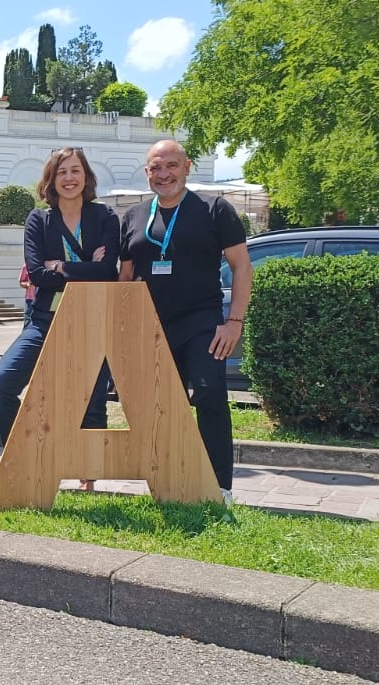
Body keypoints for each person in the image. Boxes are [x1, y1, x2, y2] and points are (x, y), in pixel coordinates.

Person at [119, 139, 253, 503]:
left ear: (187, 166)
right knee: (162, 404)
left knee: (209, 392)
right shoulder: (133, 217)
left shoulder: (215, 209)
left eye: (171, 165)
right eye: (155, 168)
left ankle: (219, 487)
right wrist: (125, 327)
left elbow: (242, 267)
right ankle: (170, 482)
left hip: (202, 323)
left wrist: (234, 322)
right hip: (152, 326)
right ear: (147, 173)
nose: (164, 174)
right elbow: (125, 277)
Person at [0, 147, 121, 490]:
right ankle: (22, 458)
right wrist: (83, 268)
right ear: (51, 179)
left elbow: (107, 270)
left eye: (75, 170)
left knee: (91, 398)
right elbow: (35, 273)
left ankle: (87, 481)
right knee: (1, 384)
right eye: (62, 172)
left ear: (86, 176)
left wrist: (59, 266)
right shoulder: (39, 220)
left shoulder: (105, 217)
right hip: (44, 320)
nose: (69, 178)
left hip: (92, 317)